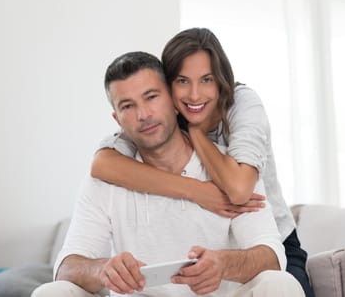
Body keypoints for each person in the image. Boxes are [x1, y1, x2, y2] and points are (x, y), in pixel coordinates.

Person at [32, 52, 304, 297]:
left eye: (151, 97)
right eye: (127, 106)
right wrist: (102, 269)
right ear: (117, 120)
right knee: (50, 293)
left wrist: (223, 264)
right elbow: (66, 266)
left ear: (174, 101)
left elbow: (272, 256)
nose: (143, 114)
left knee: (281, 284)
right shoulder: (106, 179)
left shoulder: (230, 170)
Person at [91, 28, 314, 296]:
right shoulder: (160, 120)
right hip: (212, 244)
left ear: (221, 81)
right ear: (168, 86)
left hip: (270, 241)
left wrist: (195, 132)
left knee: (284, 288)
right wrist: (196, 190)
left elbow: (240, 190)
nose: (195, 95)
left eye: (206, 79)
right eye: (183, 81)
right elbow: (103, 164)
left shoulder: (242, 104)